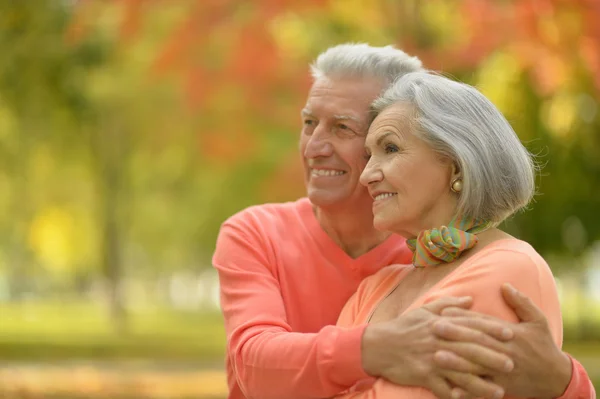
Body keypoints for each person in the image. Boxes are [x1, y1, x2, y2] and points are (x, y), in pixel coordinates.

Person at [212, 44, 595, 399]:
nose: (313, 148)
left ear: (454, 159)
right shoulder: (373, 277)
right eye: (310, 123)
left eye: (344, 128)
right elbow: (253, 366)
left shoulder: (491, 264)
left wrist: (566, 383)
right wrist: (375, 347)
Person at [332, 70, 567, 398]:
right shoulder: (373, 288)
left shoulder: (508, 266)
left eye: (390, 148)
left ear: (456, 165)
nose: (366, 176)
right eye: (369, 156)